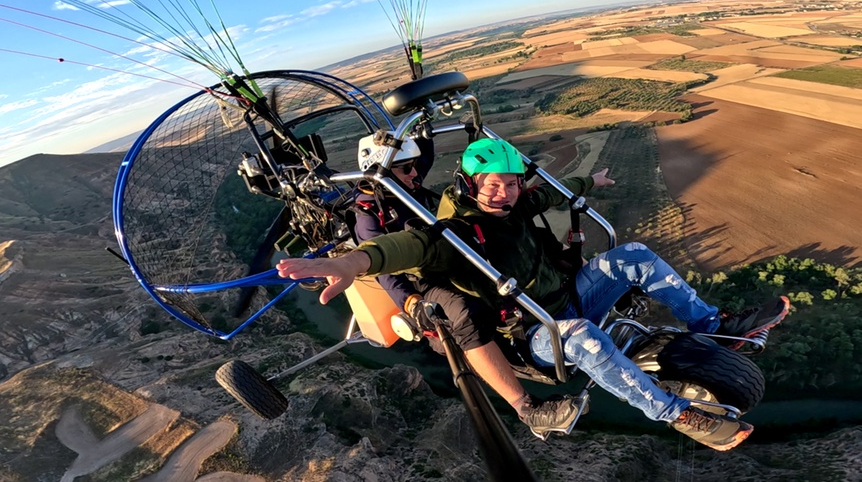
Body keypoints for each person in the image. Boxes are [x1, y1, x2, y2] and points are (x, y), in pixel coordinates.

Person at [279, 137, 789, 451]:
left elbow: (550, 187)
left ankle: (711, 323)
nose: (505, 192)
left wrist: (592, 177)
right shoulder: (450, 237)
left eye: (510, 183)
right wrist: (345, 263)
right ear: (470, 184)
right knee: (586, 340)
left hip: (568, 299)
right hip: (533, 335)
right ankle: (679, 416)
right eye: (493, 185)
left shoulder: (517, 201)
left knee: (629, 254)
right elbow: (390, 250)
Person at [352, 134, 579, 436]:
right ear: (381, 172)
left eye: (414, 166)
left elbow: (425, 153)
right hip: (422, 278)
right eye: (406, 168)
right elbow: (387, 274)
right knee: (464, 310)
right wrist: (410, 302)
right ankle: (526, 408)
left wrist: (424, 123)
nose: (416, 173)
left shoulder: (406, 185)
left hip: (449, 254)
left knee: (535, 250)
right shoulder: (369, 216)